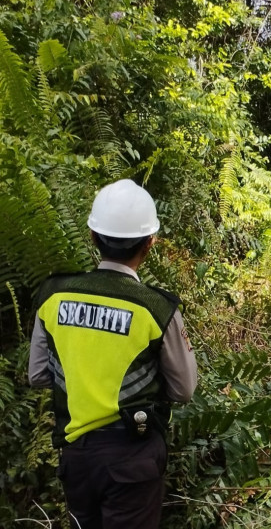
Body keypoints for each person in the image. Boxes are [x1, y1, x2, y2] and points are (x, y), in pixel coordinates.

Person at [28, 179, 198, 528]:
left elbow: (38, 374)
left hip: (76, 458)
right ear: (149, 243)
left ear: (92, 237)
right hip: (132, 458)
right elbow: (184, 389)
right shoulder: (155, 308)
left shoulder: (54, 296)